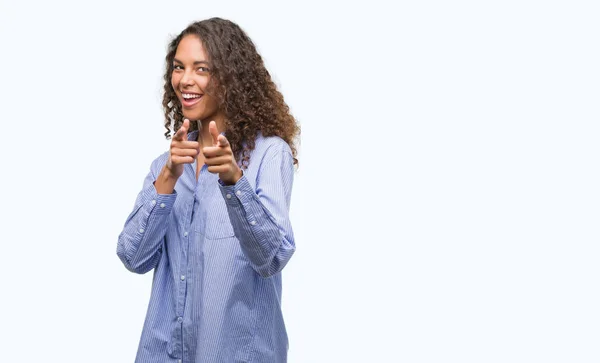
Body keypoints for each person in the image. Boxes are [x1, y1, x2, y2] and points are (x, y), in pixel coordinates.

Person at [116, 17, 299, 363]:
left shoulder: (268, 155)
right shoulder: (166, 165)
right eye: (179, 68)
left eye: (202, 69)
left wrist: (234, 181)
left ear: (231, 78)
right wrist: (168, 179)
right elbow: (133, 257)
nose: (185, 80)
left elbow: (272, 258)